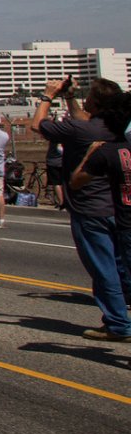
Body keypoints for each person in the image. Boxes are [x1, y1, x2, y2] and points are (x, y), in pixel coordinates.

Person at [32, 76, 127, 339]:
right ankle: (120, 315)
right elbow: (85, 119)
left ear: (94, 103)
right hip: (117, 206)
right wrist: (70, 97)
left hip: (89, 207)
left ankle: (118, 324)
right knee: (121, 266)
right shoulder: (113, 127)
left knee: (102, 268)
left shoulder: (79, 130)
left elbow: (38, 125)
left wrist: (48, 95)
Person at [63, 91, 131, 342]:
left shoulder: (107, 152)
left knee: (106, 272)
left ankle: (119, 324)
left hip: (120, 220)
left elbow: (76, 181)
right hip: (118, 221)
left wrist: (89, 155)